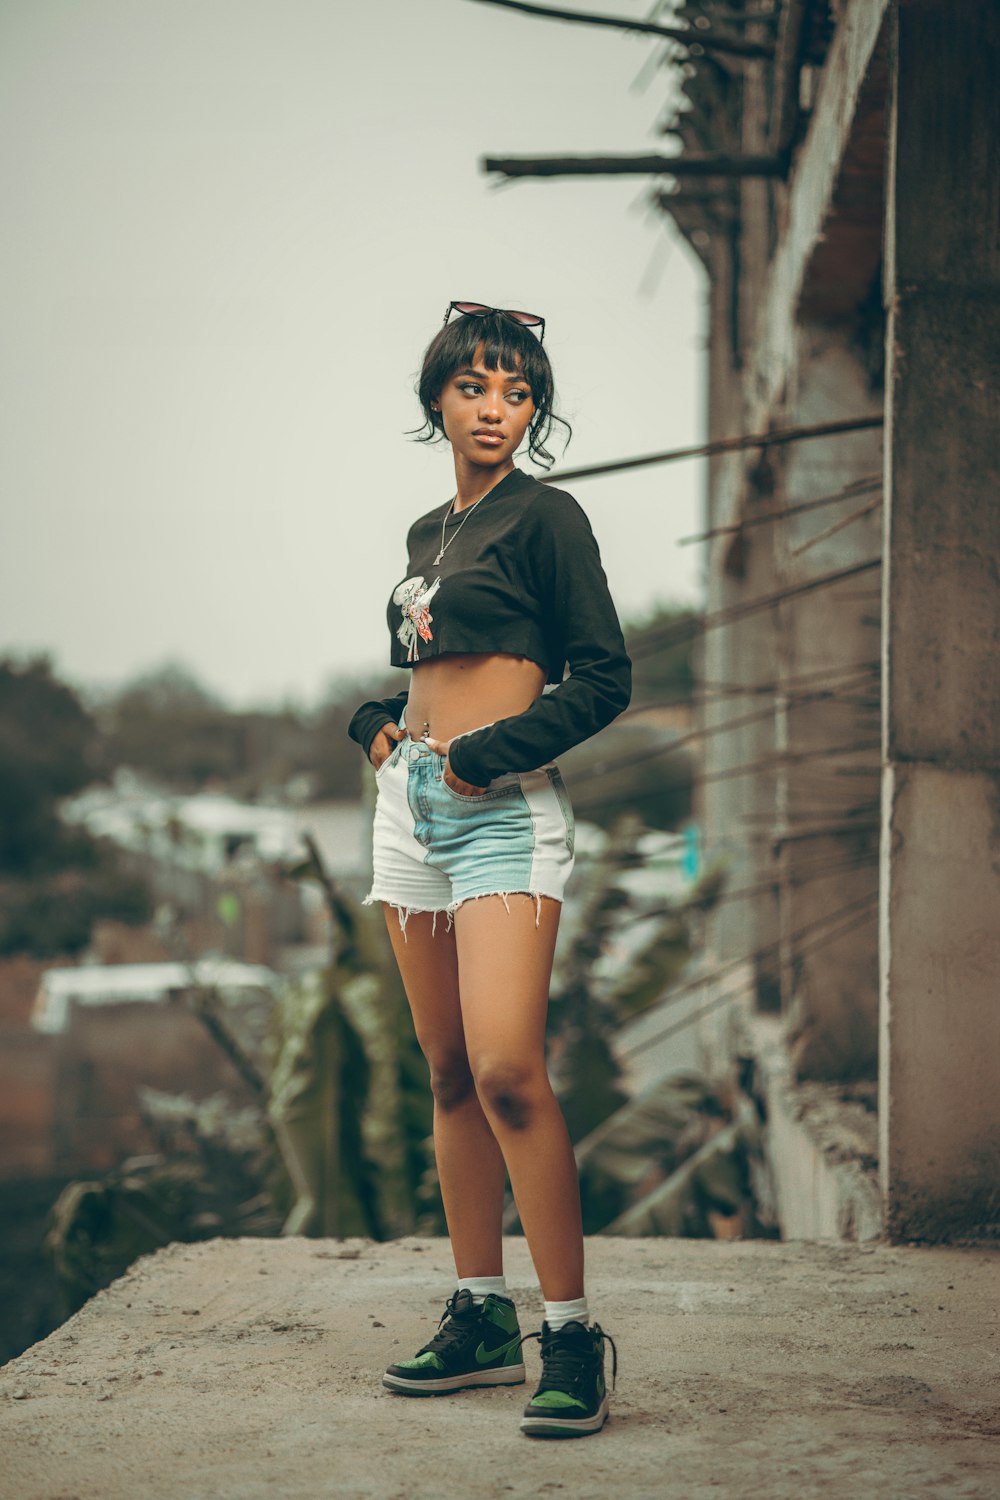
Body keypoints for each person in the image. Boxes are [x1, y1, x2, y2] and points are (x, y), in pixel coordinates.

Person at [348, 301, 631, 1438]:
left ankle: (566, 1337)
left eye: (517, 393)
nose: (497, 410)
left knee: (510, 1066)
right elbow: (420, 673)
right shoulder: (427, 532)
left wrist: (487, 755)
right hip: (406, 812)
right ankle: (475, 1313)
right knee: (447, 1073)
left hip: (502, 812)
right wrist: (379, 722)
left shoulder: (548, 518)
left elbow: (602, 678)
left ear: (533, 409)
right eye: (475, 388)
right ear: (437, 401)